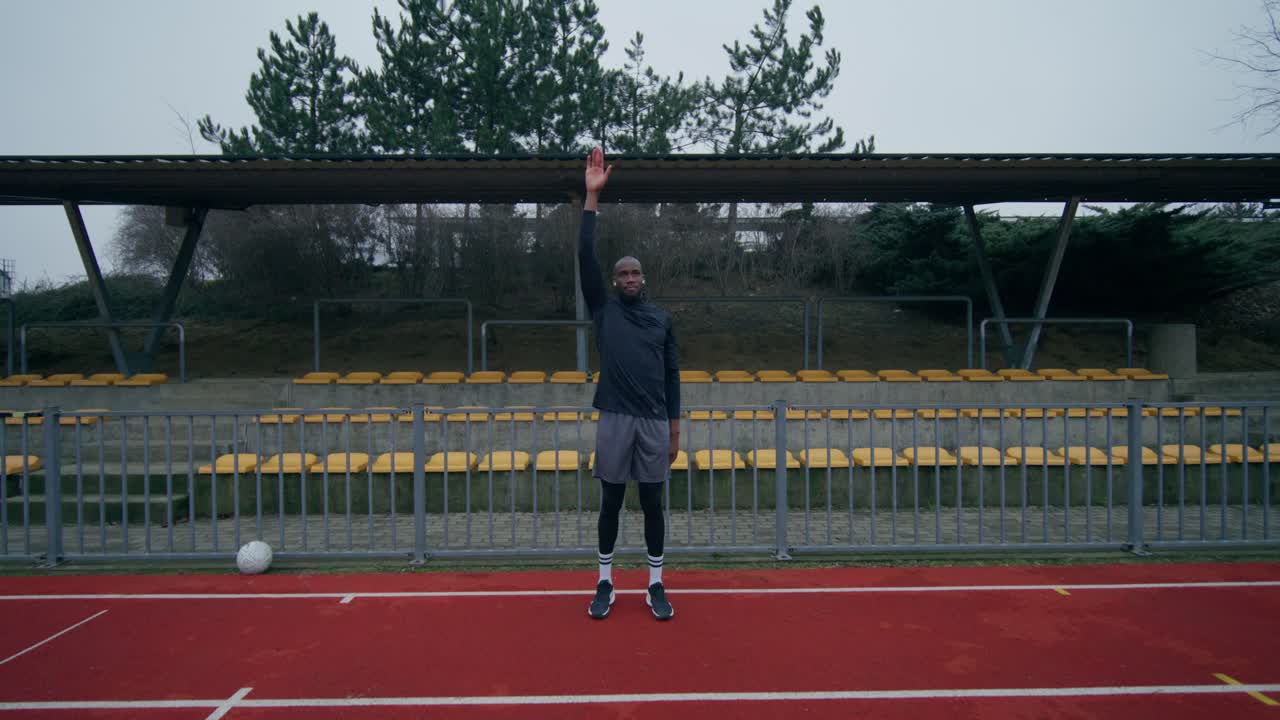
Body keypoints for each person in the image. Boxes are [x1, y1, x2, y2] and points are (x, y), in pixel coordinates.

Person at [579, 147, 680, 621]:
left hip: (656, 422)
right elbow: (584, 256)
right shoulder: (605, 311)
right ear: (615, 282)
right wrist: (591, 198)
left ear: (645, 277)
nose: (630, 277)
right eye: (622, 273)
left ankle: (655, 585)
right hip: (616, 418)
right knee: (612, 503)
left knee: (654, 503)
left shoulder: (662, 319)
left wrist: (675, 429)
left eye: (635, 271)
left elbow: (672, 376)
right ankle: (605, 581)